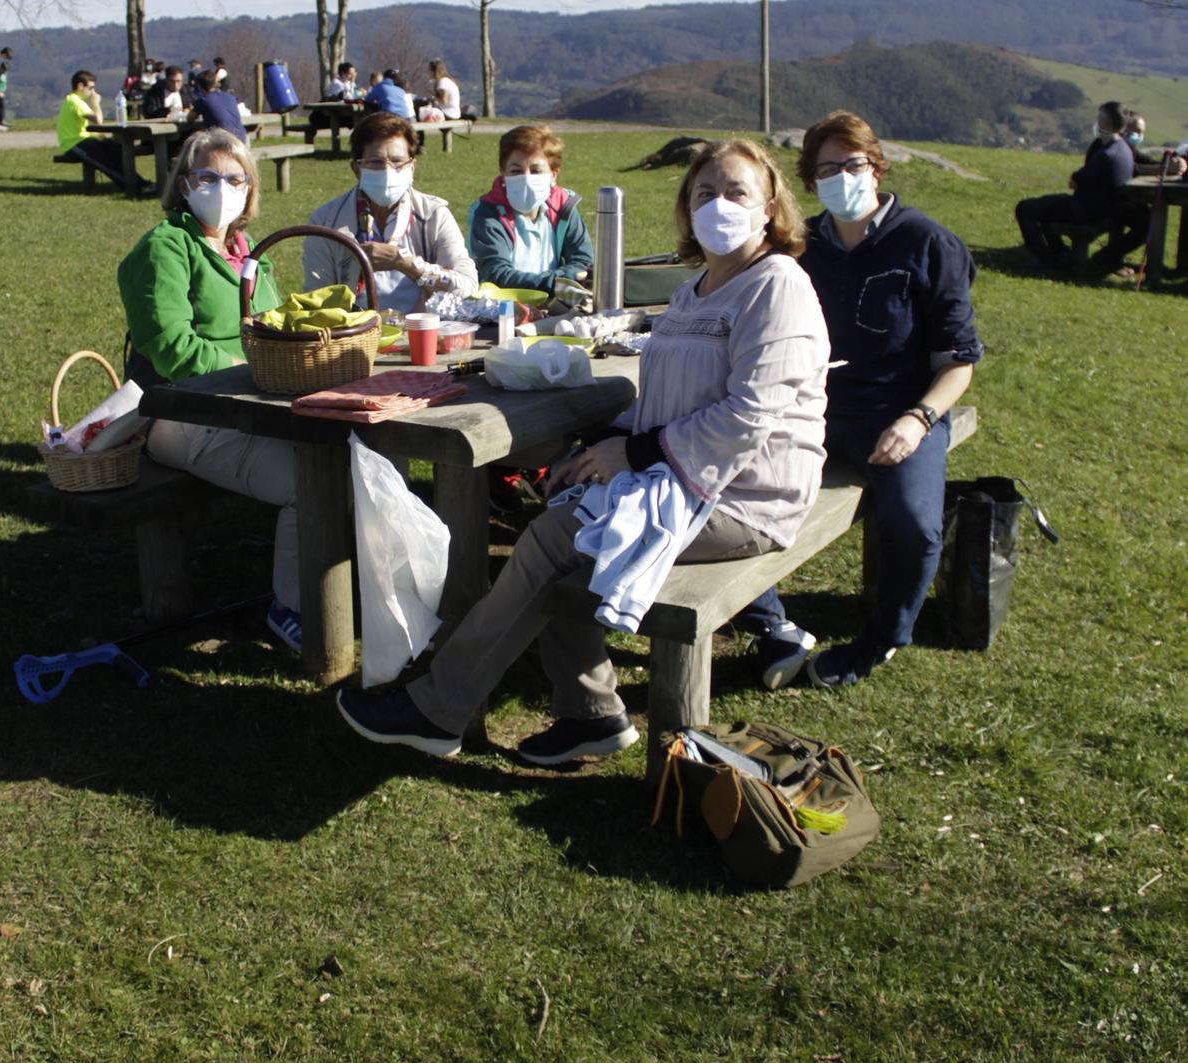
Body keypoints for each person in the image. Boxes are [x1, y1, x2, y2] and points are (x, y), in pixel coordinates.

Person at [336, 137, 829, 765]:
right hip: (688, 474)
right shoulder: (696, 289)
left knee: (555, 538)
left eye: (737, 193)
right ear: (686, 209)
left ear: (769, 209)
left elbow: (751, 413)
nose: (719, 205)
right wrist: (606, 445)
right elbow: (669, 396)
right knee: (568, 518)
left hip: (748, 493)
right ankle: (590, 714)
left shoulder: (776, 285)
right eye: (705, 193)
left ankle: (438, 708)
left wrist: (635, 455)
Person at [746, 110, 983, 691]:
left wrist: (919, 419)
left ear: (876, 167)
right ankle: (769, 623)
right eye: (827, 169)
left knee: (913, 524)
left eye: (852, 164)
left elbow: (959, 362)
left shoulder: (927, 243)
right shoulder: (801, 250)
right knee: (737, 494)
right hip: (814, 411)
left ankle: (882, 638)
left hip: (899, 412)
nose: (842, 177)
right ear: (810, 182)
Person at [117, 129, 303, 654]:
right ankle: (294, 607)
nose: (222, 188)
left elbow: (273, 326)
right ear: (183, 184)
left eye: (235, 178)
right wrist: (260, 369)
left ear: (250, 190)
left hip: (251, 406)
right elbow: (173, 348)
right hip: (178, 413)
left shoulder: (249, 254)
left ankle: (355, 581)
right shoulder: (165, 247)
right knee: (309, 484)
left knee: (354, 458)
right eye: (207, 177)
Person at [304, 112, 477, 311]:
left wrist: (406, 264)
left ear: (412, 167)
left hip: (423, 330)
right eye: (376, 162)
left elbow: (468, 286)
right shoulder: (325, 222)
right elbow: (316, 302)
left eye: (397, 162)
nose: (388, 171)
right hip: (354, 335)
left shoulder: (433, 215)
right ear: (356, 168)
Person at [467, 125, 595, 295]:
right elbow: (496, 273)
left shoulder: (563, 208)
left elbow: (583, 261)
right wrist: (557, 282)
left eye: (536, 171)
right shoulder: (487, 214)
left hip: (556, 305)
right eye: (516, 171)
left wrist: (559, 281)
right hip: (505, 309)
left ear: (553, 175)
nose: (526, 178)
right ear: (502, 173)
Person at [1014, 102, 1136, 268]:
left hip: (1085, 211)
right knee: (1047, 208)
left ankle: (1046, 259)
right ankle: (1060, 253)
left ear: (1106, 123)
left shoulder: (1106, 154)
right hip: (1103, 210)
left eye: (1100, 118)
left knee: (1025, 208)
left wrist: (1078, 181)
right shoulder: (1124, 149)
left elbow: (1075, 180)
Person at [54, 70, 135, 189]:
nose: (93, 92)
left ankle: (138, 182)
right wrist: (95, 103)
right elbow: (98, 120)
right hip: (74, 144)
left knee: (116, 149)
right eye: (91, 88)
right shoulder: (75, 101)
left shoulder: (74, 100)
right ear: (80, 86)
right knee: (107, 161)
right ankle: (132, 186)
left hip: (81, 140)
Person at [186, 79, 247, 144]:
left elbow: (190, 118)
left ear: (200, 87)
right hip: (242, 138)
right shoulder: (230, 96)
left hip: (223, 142)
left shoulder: (204, 100)